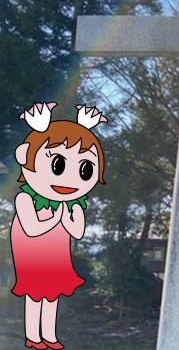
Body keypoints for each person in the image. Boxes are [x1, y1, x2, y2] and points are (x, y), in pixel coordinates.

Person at [11, 103, 107, 349]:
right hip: (32, 256)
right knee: (34, 296)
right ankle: (33, 336)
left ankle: (49, 336)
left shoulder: (73, 204)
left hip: (57, 256)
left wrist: (70, 215)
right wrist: (57, 218)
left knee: (52, 296)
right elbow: (31, 228)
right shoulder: (25, 198)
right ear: (25, 157)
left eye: (85, 170)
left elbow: (77, 231)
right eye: (58, 165)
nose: (70, 180)